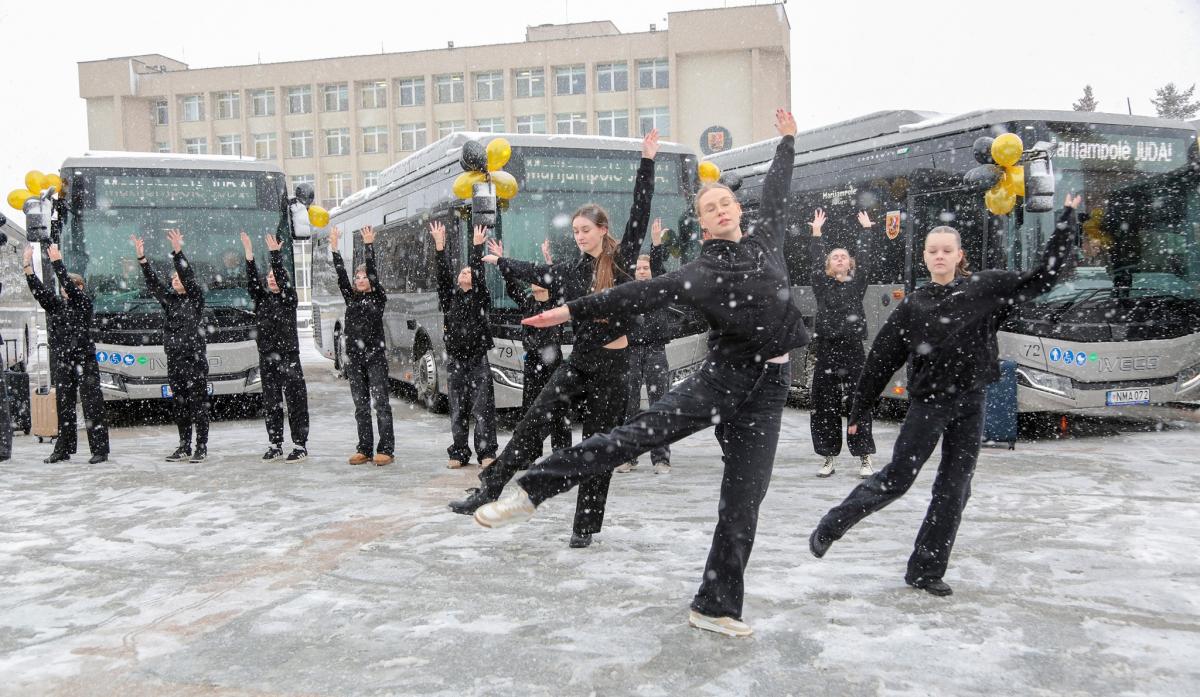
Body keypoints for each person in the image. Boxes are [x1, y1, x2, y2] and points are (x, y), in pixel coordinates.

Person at [473, 109, 805, 638]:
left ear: (737, 208)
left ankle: (715, 604)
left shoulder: (766, 240)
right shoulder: (703, 271)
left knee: (744, 504)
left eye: (725, 202)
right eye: (709, 207)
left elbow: (780, 188)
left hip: (769, 393)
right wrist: (565, 312)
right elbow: (636, 293)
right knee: (631, 437)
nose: (720, 209)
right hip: (724, 379)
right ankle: (531, 490)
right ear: (702, 222)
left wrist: (787, 141)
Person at [807, 194, 1080, 598]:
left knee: (955, 488)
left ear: (958, 255)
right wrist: (859, 409)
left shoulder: (986, 288)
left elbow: (1043, 278)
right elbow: (881, 360)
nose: (939, 256)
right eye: (932, 251)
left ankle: (926, 570)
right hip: (929, 405)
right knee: (898, 478)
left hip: (972, 402)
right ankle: (833, 524)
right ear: (924, 256)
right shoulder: (913, 307)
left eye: (946, 250)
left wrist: (1067, 223)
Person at [448, 128, 662, 550]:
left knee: (597, 448)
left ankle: (585, 526)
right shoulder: (571, 270)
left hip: (614, 370)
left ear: (603, 230)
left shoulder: (619, 264)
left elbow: (640, 208)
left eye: (587, 230)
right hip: (579, 362)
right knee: (531, 425)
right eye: (577, 230)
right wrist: (500, 259)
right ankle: (490, 488)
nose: (580, 236)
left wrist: (648, 161)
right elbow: (536, 272)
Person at [22, 245, 110, 464]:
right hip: (64, 361)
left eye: (69, 286)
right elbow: (39, 292)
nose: (64, 289)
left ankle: (100, 450)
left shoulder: (83, 303)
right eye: (63, 286)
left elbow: (70, 287)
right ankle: (64, 448)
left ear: (80, 287)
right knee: (64, 405)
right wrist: (28, 268)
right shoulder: (58, 306)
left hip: (84, 360)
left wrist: (57, 263)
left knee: (92, 404)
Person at [808, 209, 877, 479]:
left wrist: (867, 232)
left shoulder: (857, 283)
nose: (839, 259)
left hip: (852, 350)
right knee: (825, 404)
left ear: (850, 265)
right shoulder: (821, 285)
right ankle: (828, 457)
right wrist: (816, 233)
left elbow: (868, 261)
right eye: (834, 257)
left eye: (844, 257)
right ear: (829, 265)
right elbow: (814, 260)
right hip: (827, 349)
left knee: (859, 402)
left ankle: (864, 457)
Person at [133, 229, 210, 463]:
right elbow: (154, 284)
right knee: (180, 405)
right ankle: (184, 445)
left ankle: (201, 446)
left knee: (198, 406)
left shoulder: (195, 299)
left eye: (178, 278)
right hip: (175, 360)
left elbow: (188, 276)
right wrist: (142, 260)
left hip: (194, 361)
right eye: (173, 278)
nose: (174, 280)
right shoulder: (170, 303)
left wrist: (178, 253)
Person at [431, 221, 498, 470]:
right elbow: (442, 276)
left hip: (478, 359)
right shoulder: (450, 299)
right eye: (462, 272)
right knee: (457, 409)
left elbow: (479, 273)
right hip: (456, 360)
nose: (465, 274)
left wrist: (476, 248)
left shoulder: (481, 296)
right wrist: (440, 247)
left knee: (483, 409)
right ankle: (459, 451)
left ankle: (486, 452)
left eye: (468, 272)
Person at [240, 231, 309, 463]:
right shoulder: (263, 299)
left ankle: (299, 444)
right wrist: (249, 254)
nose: (271, 279)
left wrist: (275, 255)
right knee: (271, 402)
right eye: (268, 276)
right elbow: (252, 281)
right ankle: (275, 443)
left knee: (295, 400)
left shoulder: (289, 298)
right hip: (267, 355)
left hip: (288, 355)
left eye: (274, 276)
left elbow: (281, 276)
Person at [499, 239, 570, 458]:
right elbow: (512, 287)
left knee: (558, 406)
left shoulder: (558, 302)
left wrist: (549, 260)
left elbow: (559, 282)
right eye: (532, 281)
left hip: (553, 359)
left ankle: (561, 452)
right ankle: (529, 453)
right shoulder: (528, 302)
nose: (535, 284)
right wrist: (503, 263)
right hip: (532, 360)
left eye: (539, 280)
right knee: (530, 407)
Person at [330, 225, 393, 466]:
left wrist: (369, 246)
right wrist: (335, 249)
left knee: (381, 404)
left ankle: (386, 449)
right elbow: (341, 276)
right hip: (355, 359)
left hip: (375, 356)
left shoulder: (378, 296)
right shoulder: (351, 297)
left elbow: (374, 273)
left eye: (363, 277)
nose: (359, 280)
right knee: (361, 406)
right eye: (358, 277)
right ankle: (364, 448)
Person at [616, 218, 674, 475]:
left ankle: (661, 458)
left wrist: (656, 243)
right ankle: (628, 457)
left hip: (655, 352)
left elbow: (660, 264)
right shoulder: (626, 290)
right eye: (638, 268)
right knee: (628, 405)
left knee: (658, 404)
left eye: (645, 267)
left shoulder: (659, 288)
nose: (642, 271)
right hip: (631, 352)